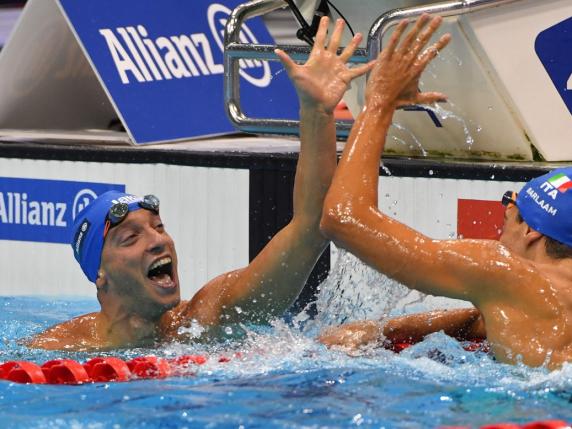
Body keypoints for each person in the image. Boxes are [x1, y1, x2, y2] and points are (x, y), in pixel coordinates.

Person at [28, 17, 374, 351]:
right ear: (100, 274)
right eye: (131, 237)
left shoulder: (205, 319)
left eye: (159, 227)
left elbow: (310, 227)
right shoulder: (60, 349)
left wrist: (316, 112)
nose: (158, 241)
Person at [318, 14, 572, 370]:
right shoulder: (525, 297)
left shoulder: (506, 273)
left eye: (509, 209)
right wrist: (385, 330)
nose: (501, 223)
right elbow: (487, 318)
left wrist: (379, 104)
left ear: (531, 230)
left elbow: (343, 220)